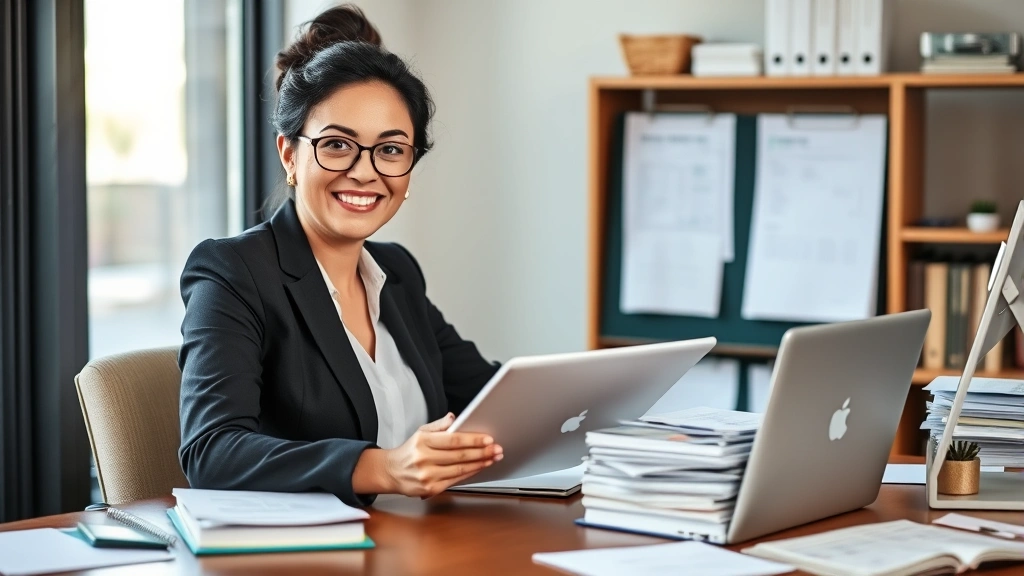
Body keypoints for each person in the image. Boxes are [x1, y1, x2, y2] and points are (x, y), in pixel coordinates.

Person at [177, 5, 502, 507]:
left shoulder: (398, 273)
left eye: (391, 150)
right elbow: (212, 451)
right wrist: (384, 468)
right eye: (336, 145)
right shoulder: (233, 272)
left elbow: (492, 397)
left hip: (417, 544)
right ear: (289, 154)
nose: (365, 172)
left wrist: (623, 417)